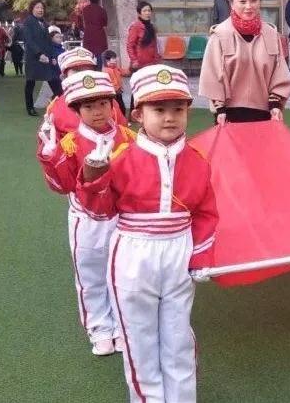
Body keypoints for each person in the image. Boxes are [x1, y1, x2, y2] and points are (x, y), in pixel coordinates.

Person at [77, 64, 219, 402]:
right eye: (159, 109)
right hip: (133, 254)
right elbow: (99, 211)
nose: (169, 118)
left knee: (178, 338)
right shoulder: (120, 158)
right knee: (138, 341)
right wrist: (94, 176)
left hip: (178, 252)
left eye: (178, 109)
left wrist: (201, 256)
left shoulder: (198, 159)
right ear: (138, 113)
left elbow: (206, 212)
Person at [37, 70, 135, 356]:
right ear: (77, 110)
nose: (98, 111)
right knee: (90, 277)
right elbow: (62, 186)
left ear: (113, 104)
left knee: (122, 276)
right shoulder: (70, 143)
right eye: (89, 106)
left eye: (103, 103)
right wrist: (50, 155)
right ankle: (99, 328)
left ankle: (121, 327)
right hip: (88, 221)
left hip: (123, 219)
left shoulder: (129, 138)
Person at [199, 0, 290, 124]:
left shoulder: (271, 34)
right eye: (242, 1)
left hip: (265, 115)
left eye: (253, 0)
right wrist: (220, 109)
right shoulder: (219, 35)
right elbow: (212, 75)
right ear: (231, 3)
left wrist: (275, 105)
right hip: (228, 117)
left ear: (259, 2)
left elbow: (279, 74)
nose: (248, 6)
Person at [46, 47, 127, 139]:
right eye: (76, 70)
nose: (84, 74)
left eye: (88, 70)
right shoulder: (55, 108)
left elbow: (123, 131)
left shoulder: (110, 102)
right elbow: (49, 142)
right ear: (64, 77)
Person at [22, 0, 63, 116]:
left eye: (42, 8)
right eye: (37, 7)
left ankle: (61, 104)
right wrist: (39, 54)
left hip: (46, 58)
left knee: (54, 80)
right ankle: (30, 107)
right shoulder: (28, 22)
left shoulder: (44, 23)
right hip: (33, 58)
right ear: (32, 9)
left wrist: (53, 57)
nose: (40, 10)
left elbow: (48, 42)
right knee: (30, 82)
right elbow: (29, 41)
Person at [127, 1, 161, 115]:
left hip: (152, 63)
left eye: (149, 10)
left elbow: (154, 45)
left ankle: (150, 111)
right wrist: (134, 60)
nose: (147, 13)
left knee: (151, 87)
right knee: (138, 88)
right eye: (145, 11)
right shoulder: (135, 26)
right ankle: (134, 113)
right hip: (139, 64)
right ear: (139, 13)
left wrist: (157, 60)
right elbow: (130, 45)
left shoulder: (152, 27)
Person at [81, 0, 108, 69]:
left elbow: (83, 23)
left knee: (89, 56)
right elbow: (105, 23)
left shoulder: (85, 10)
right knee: (99, 57)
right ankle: (98, 72)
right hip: (99, 36)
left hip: (88, 36)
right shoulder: (102, 10)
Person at [101, 49, 130, 117]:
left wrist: (131, 68)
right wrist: (115, 89)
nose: (116, 59)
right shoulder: (105, 71)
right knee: (116, 108)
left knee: (122, 107)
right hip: (112, 94)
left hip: (118, 93)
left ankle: (123, 119)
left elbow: (125, 73)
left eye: (115, 58)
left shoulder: (116, 68)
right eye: (113, 58)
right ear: (107, 60)